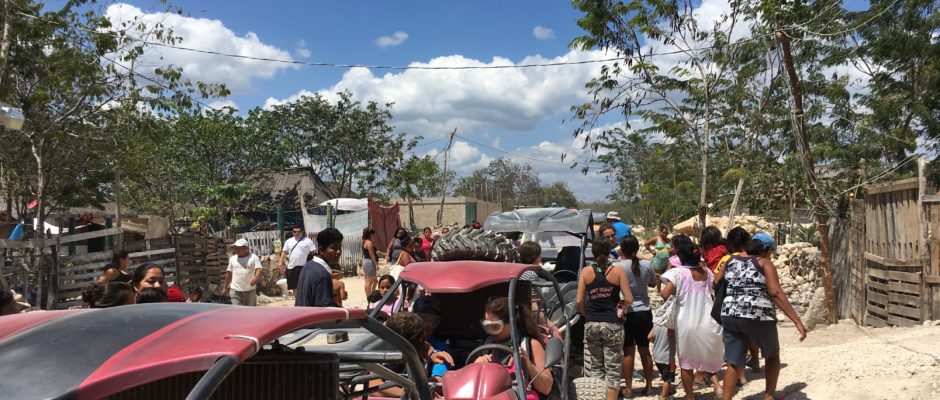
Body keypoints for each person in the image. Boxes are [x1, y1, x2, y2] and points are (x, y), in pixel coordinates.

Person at [719, 233, 807, 400]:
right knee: (772, 355)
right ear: (765, 250)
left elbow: (716, 282)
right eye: (771, 251)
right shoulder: (764, 263)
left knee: (734, 361)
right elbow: (775, 292)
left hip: (729, 313)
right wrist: (797, 321)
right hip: (756, 315)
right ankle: (768, 396)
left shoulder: (730, 261)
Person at [659, 235, 724, 399]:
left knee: (686, 364)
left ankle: (690, 397)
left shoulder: (678, 272)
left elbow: (664, 295)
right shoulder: (708, 272)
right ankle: (717, 387)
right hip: (708, 321)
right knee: (706, 356)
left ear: (681, 257)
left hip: (686, 322)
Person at [576, 237, 634, 400]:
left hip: (592, 323)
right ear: (609, 252)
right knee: (613, 370)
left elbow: (579, 300)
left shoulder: (586, 272)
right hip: (612, 324)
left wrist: (585, 313)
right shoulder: (618, 271)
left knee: (596, 368)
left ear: (593, 252)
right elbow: (629, 298)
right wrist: (620, 307)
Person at [474, 296, 553, 399]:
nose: (490, 332)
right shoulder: (486, 346)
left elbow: (547, 388)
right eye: (486, 326)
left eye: (495, 327)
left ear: (511, 323)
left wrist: (528, 364)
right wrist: (476, 367)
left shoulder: (530, 345)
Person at [374, 311, 453, 398]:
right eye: (423, 316)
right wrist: (414, 393)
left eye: (432, 319)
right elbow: (373, 387)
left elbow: (439, 383)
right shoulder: (370, 341)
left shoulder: (403, 339)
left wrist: (431, 353)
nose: (427, 324)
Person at [620, 235, 656, 398]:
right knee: (645, 350)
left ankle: (628, 388)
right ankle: (649, 386)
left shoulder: (619, 266)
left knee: (628, 352)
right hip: (644, 312)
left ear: (622, 250)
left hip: (627, 312)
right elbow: (653, 283)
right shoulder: (647, 264)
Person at [295, 228, 342, 307]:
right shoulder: (322, 274)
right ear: (321, 250)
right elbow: (325, 309)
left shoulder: (308, 265)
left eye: (339, 248)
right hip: (312, 318)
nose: (338, 252)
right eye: (334, 248)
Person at [224, 238, 263, 306]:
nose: (237, 250)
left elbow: (258, 270)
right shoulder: (232, 259)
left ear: (246, 248)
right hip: (235, 290)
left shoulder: (254, 257)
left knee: (250, 311)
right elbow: (229, 273)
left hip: (250, 290)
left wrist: (255, 278)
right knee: (236, 311)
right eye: (236, 248)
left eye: (239, 248)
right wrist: (225, 287)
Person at [279, 227, 317, 295]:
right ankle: (297, 302)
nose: (296, 233)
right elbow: (284, 252)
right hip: (292, 266)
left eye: (298, 231)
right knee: (294, 286)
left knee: (305, 285)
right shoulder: (289, 241)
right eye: (294, 231)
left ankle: (305, 300)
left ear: (302, 232)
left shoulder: (307, 241)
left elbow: (313, 252)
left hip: (304, 266)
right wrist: (281, 261)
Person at [648, 325, 677, 400]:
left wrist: (658, 344)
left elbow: (649, 337)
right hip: (667, 357)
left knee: (664, 375)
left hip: (657, 355)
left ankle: (667, 392)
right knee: (668, 379)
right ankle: (664, 397)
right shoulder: (672, 327)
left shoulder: (657, 325)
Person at [362, 227, 379, 298]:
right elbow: (372, 255)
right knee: (369, 282)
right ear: (370, 234)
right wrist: (376, 264)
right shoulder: (369, 243)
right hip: (370, 263)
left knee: (375, 281)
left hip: (366, 261)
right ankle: (369, 297)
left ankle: (371, 295)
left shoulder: (364, 242)